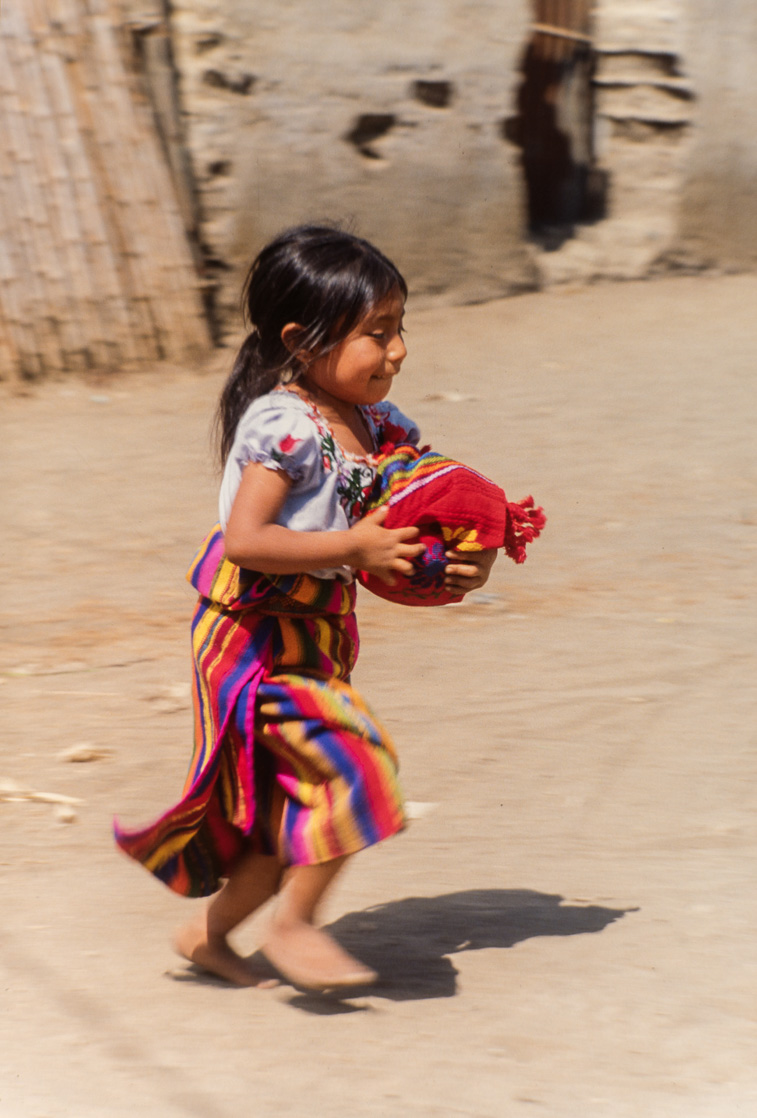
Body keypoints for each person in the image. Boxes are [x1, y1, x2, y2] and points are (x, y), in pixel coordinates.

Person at [114, 225, 497, 991]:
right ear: (301, 340)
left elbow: (416, 522)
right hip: (250, 639)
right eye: (376, 332)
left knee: (276, 825)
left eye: (400, 329)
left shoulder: (383, 428)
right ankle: (293, 927)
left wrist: (465, 557)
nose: (397, 350)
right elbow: (246, 540)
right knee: (357, 766)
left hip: (317, 635)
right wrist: (354, 549)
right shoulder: (285, 425)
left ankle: (206, 935)